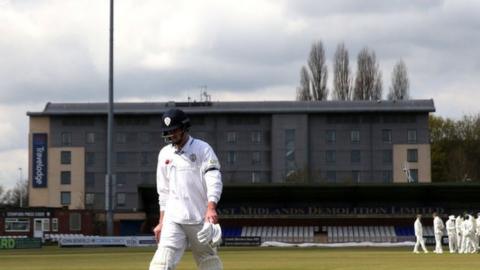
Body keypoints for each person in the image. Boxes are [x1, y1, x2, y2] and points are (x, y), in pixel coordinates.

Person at [149, 108, 224, 270]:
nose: (171, 134)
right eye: (168, 131)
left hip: (199, 219)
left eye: (174, 130)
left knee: (209, 263)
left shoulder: (202, 149)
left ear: (184, 127)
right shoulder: (164, 154)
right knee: (160, 265)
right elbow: (163, 192)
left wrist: (211, 208)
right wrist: (161, 222)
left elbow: (214, 179)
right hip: (173, 219)